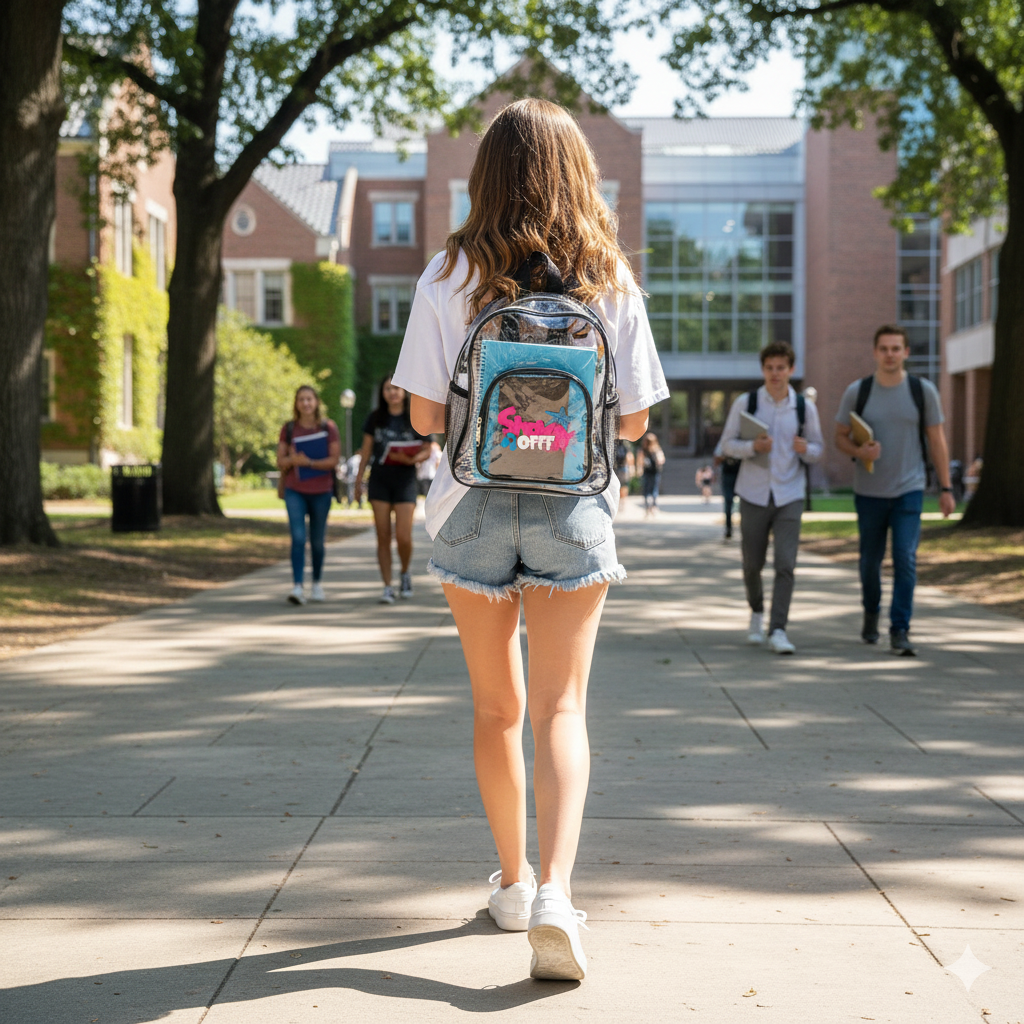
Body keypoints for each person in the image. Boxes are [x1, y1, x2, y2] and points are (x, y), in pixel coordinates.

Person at [391, 98, 668, 981]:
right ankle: (557, 892)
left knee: (495, 709)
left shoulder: (449, 270)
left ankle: (510, 884)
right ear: (579, 172)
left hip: (470, 500)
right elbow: (631, 428)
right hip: (572, 506)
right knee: (561, 709)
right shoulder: (607, 275)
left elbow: (427, 414)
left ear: (487, 174)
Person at [835, 325, 955, 655]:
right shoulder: (858, 391)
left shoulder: (922, 391)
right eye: (884, 348)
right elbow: (840, 436)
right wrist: (859, 452)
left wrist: (946, 487)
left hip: (909, 488)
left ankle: (900, 628)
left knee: (905, 558)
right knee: (869, 564)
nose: (890, 354)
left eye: (896, 348)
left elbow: (937, 440)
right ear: (875, 353)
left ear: (906, 353)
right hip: (869, 491)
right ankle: (871, 611)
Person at [719, 342, 824, 655]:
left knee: (786, 564)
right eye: (770, 368)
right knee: (752, 564)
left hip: (790, 494)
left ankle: (778, 628)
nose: (775, 374)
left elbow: (819, 450)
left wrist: (807, 449)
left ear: (791, 370)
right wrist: (753, 448)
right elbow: (726, 445)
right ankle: (757, 612)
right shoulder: (746, 403)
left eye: (781, 368)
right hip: (753, 493)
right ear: (763, 370)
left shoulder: (805, 407)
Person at [354, 375, 429, 604]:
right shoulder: (375, 418)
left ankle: (405, 573)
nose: (392, 392)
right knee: (383, 536)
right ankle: (387, 586)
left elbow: (428, 447)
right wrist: (358, 482)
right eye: (387, 388)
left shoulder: (414, 418)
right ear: (382, 393)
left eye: (396, 388)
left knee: (404, 537)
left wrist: (414, 457)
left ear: (404, 392)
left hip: (405, 480)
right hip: (380, 480)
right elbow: (366, 452)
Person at [276, 385, 341, 605]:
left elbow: (334, 460)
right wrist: (293, 460)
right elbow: (280, 461)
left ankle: (316, 584)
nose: (305, 403)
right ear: (296, 403)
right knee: (298, 538)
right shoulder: (289, 428)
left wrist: (310, 462)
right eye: (301, 399)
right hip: (295, 490)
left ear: (316, 402)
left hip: (321, 491)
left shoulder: (328, 427)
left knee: (318, 541)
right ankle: (297, 586)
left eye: (309, 399)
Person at [714, 451, 741, 540]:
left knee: (745, 504)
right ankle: (728, 528)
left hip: (741, 476)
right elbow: (716, 459)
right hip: (728, 476)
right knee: (728, 502)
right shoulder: (724, 444)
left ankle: (746, 528)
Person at [640, 433, 665, 516]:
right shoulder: (657, 450)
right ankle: (654, 507)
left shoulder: (643, 450)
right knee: (654, 489)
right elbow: (661, 460)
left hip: (647, 472)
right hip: (655, 472)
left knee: (646, 490)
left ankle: (648, 507)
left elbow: (640, 461)